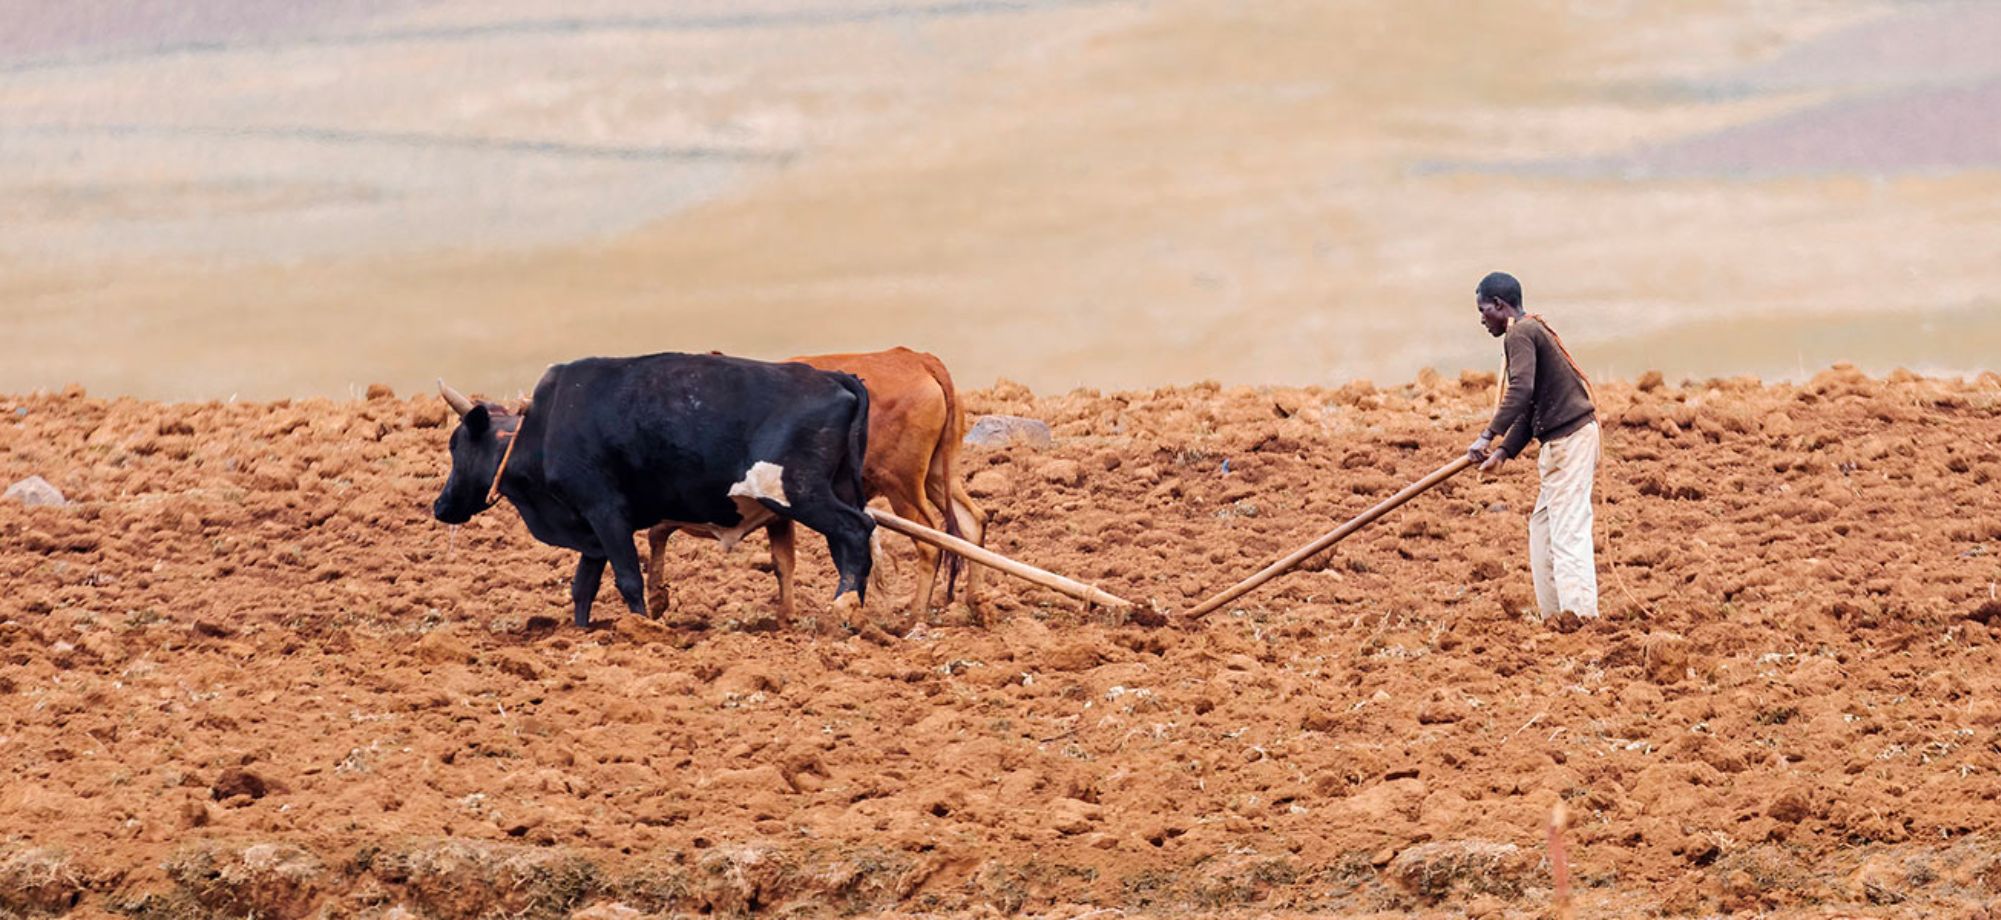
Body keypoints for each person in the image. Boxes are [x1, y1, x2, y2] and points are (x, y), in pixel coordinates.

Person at [1465, 271, 1601, 631]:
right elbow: (1529, 407)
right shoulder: (1527, 330)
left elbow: (1520, 392)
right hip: (1562, 440)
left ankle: (1582, 620)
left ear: (1498, 305)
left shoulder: (1521, 333)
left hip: (1569, 440)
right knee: (1542, 528)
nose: (1481, 319)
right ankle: (1556, 619)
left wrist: (1487, 435)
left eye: (1483, 310)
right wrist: (1504, 451)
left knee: (1568, 528)